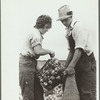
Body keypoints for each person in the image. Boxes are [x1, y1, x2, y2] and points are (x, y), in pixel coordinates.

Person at [57, 5, 96, 100]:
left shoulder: (78, 27)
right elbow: (71, 51)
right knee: (80, 91)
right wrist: (66, 66)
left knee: (87, 93)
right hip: (78, 63)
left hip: (87, 62)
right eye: (61, 20)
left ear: (71, 16)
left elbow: (79, 49)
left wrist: (71, 66)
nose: (63, 22)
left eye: (65, 19)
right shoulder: (68, 32)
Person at [19, 15, 55, 100]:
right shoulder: (36, 34)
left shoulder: (35, 33)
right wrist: (50, 51)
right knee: (28, 94)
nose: (47, 30)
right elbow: (38, 51)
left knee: (38, 91)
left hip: (30, 63)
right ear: (43, 25)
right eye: (47, 28)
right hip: (26, 64)